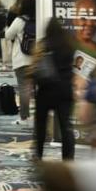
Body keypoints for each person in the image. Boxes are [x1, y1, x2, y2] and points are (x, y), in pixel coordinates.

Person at [33, 18, 77, 160]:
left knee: (41, 125)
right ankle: (68, 158)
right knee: (66, 126)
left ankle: (39, 154)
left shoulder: (42, 45)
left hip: (45, 91)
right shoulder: (69, 44)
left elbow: (35, 68)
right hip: (64, 91)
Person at [5, 0, 37, 125]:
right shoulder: (38, 19)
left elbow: (8, 35)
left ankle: (24, 117)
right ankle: (36, 115)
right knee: (33, 88)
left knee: (24, 89)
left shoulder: (20, 20)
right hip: (35, 59)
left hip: (21, 59)